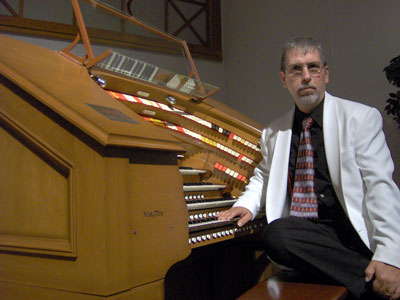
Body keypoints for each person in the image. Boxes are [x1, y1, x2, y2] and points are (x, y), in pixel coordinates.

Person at [218, 37, 400, 300]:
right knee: (277, 235)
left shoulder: (360, 118)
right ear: (284, 79)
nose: (305, 77)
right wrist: (247, 203)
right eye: (296, 69)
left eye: (313, 67)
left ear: (326, 74)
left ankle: (375, 282)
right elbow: (264, 174)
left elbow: (380, 186)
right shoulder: (273, 131)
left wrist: (390, 256)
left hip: (353, 232)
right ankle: (372, 286)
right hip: (309, 236)